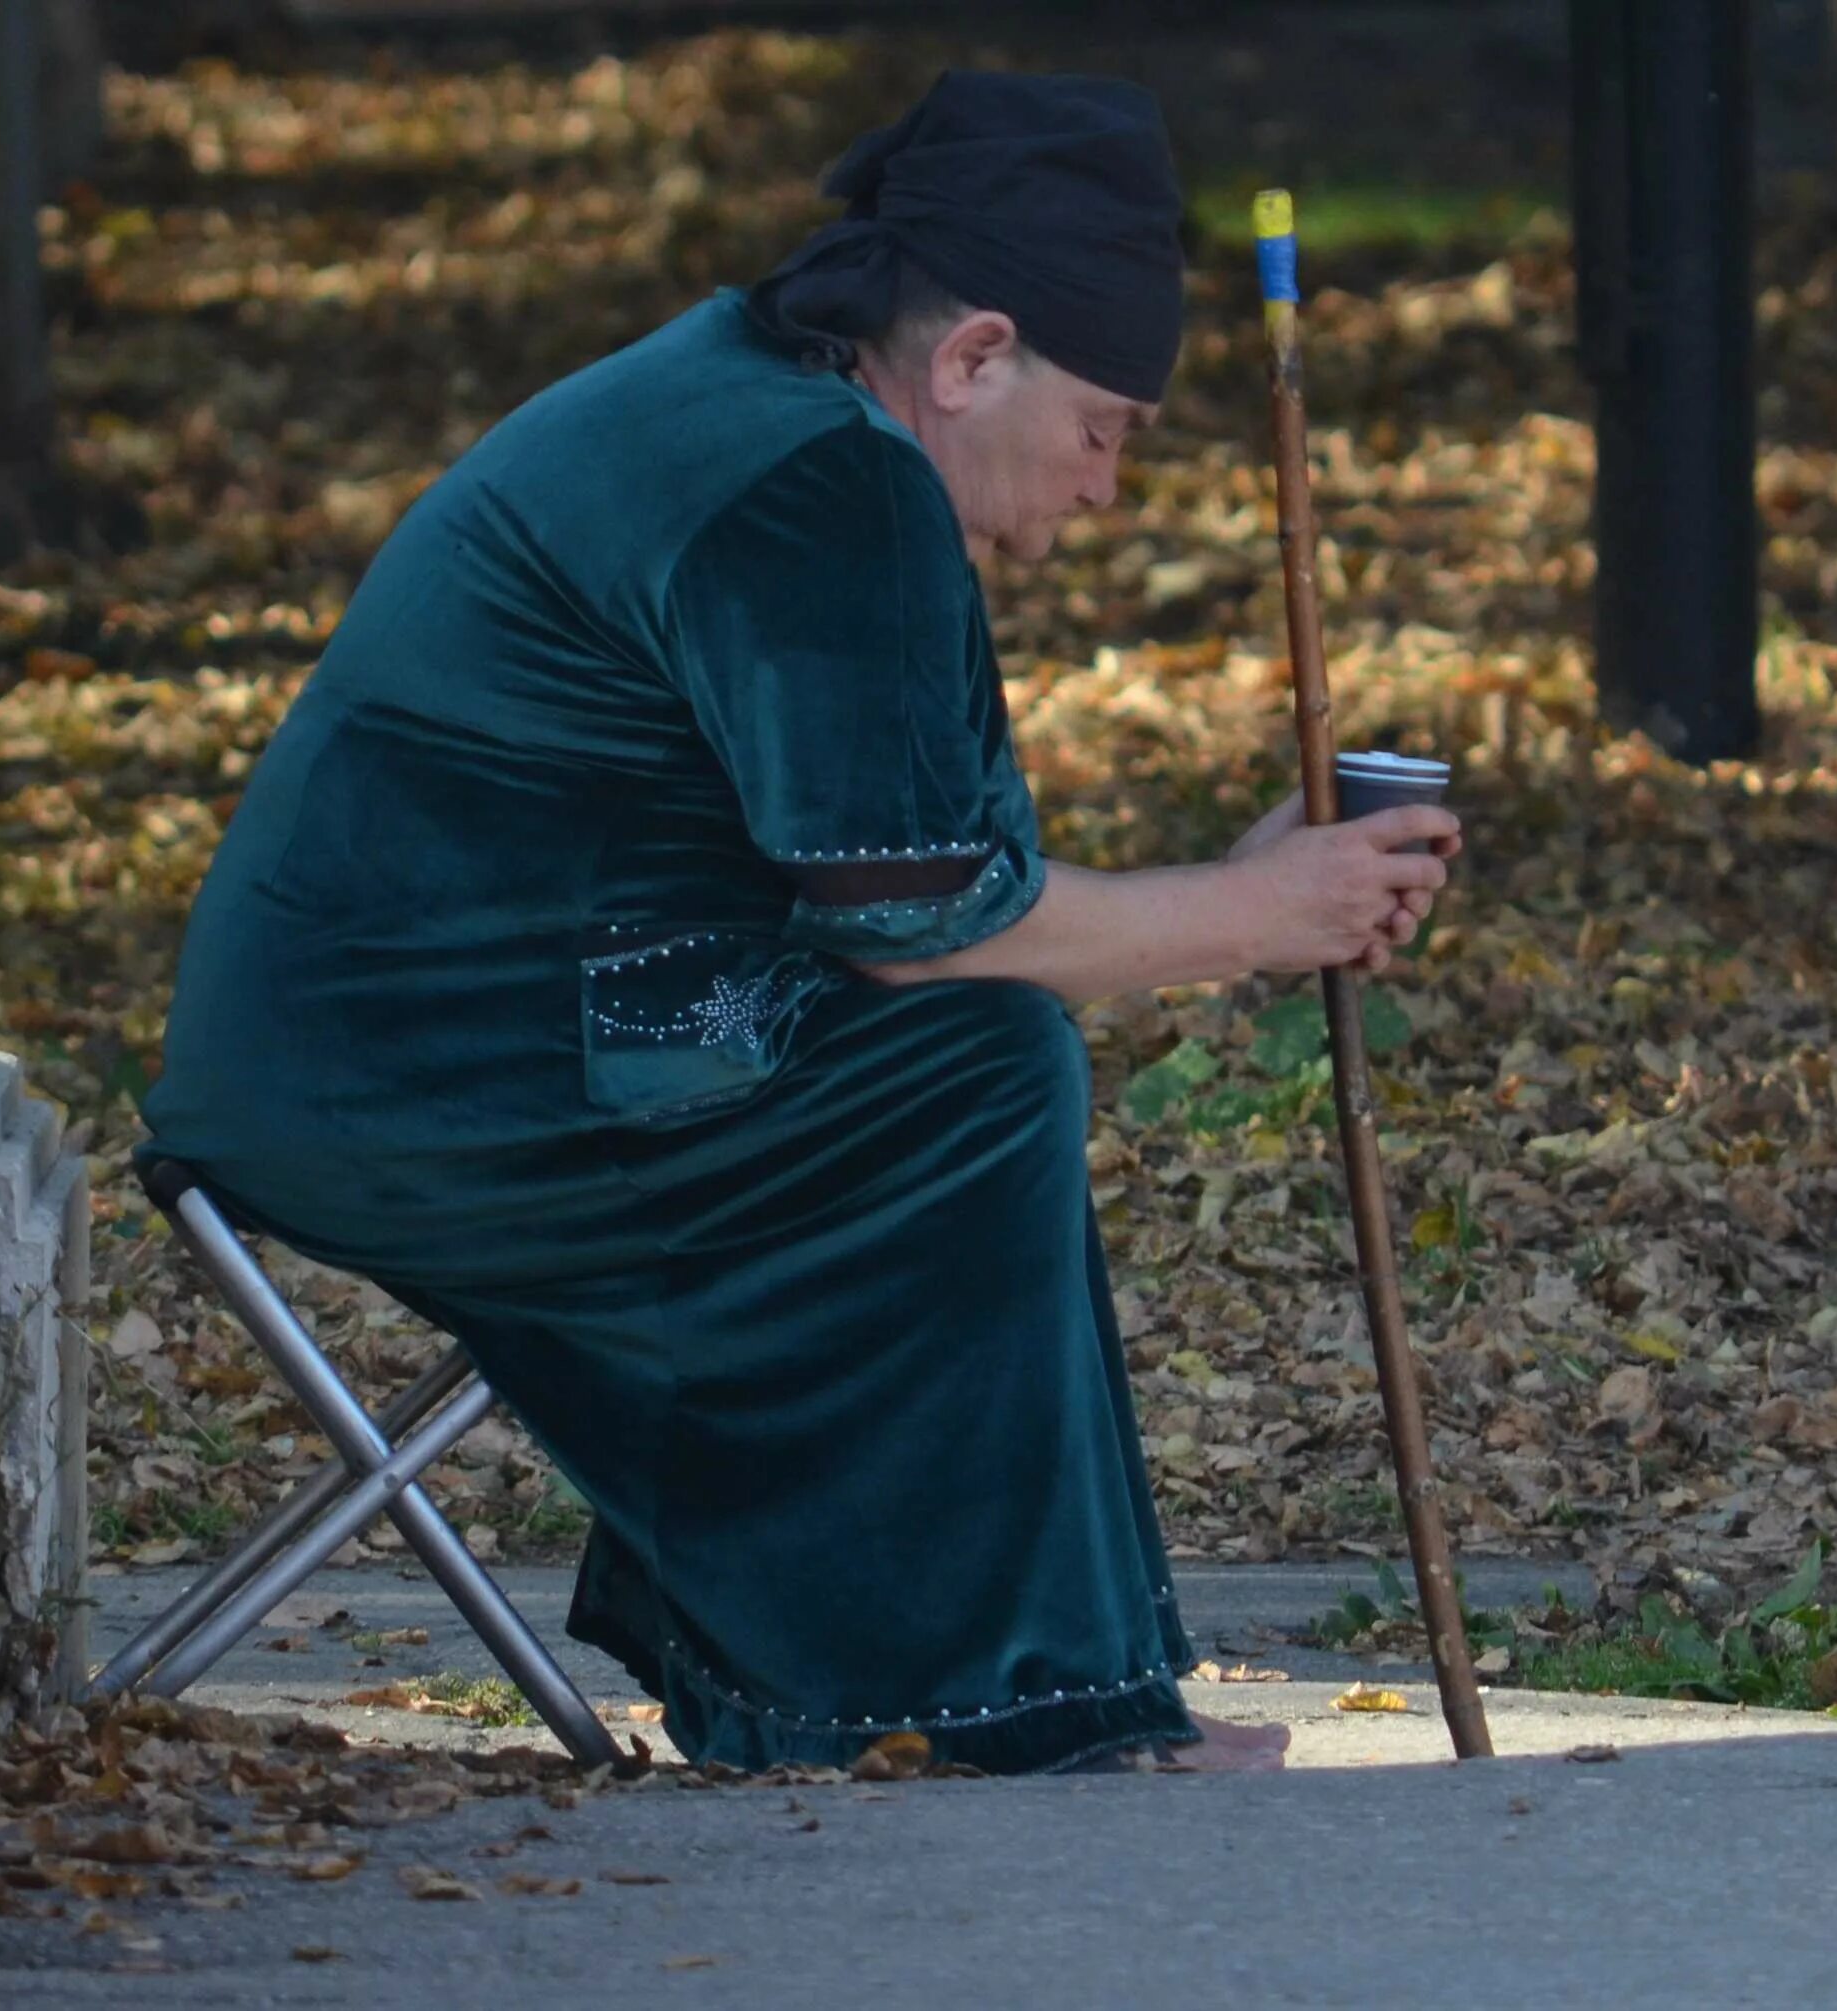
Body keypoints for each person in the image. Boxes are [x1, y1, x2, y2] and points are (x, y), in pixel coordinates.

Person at [139, 70, 1459, 1776]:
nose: (1105, 490)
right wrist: (1259, 913)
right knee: (974, 1075)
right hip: (434, 1083)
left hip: (439, 1042)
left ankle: (1024, 1696)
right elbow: (923, 924)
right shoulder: (815, 487)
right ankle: (989, 1717)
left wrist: (1251, 897)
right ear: (975, 357)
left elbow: (916, 895)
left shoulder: (758, 406)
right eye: (1105, 429)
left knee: (968, 1055)